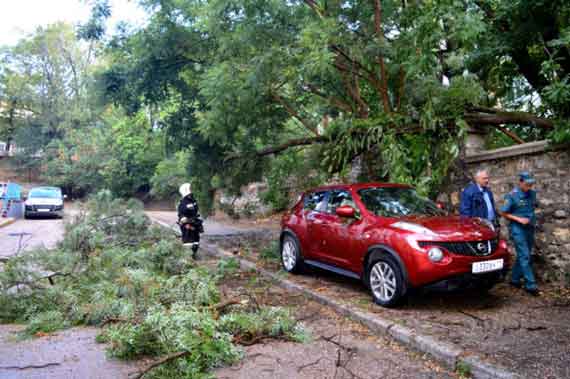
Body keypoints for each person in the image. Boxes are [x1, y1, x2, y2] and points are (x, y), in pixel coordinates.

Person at [499, 172, 540, 296]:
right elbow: (503, 213)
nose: (530, 186)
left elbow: (535, 206)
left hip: (529, 228)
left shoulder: (532, 194)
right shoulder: (512, 196)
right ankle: (531, 285)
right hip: (518, 229)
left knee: (524, 255)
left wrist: (533, 215)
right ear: (520, 182)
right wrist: (519, 219)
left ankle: (515, 279)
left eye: (531, 184)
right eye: (527, 184)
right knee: (525, 255)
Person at [177, 183, 204, 257]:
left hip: (194, 223)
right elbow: (181, 213)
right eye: (190, 189)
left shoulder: (193, 201)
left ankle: (194, 255)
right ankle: (187, 257)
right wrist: (183, 219)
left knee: (196, 241)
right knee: (188, 241)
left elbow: (196, 210)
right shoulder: (182, 203)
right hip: (187, 224)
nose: (192, 191)